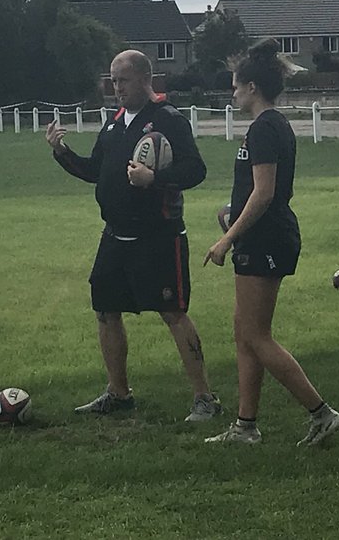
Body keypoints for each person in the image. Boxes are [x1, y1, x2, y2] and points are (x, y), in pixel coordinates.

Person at [47, 49, 222, 422]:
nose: (116, 87)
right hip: (115, 236)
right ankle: (119, 393)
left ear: (146, 80)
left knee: (173, 312)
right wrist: (62, 153)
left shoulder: (167, 119)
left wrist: (154, 179)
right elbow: (96, 171)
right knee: (106, 311)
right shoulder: (114, 124)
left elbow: (196, 170)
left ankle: (204, 397)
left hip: (159, 237)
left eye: (122, 80)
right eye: (112, 80)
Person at [203, 39, 339, 446]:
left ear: (252, 88)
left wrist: (226, 238)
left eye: (235, 85)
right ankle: (246, 427)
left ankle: (322, 414)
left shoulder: (265, 127)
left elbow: (265, 194)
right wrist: (232, 211)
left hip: (265, 240)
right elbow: (266, 192)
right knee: (243, 332)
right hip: (264, 234)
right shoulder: (271, 125)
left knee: (257, 336)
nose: (232, 92)